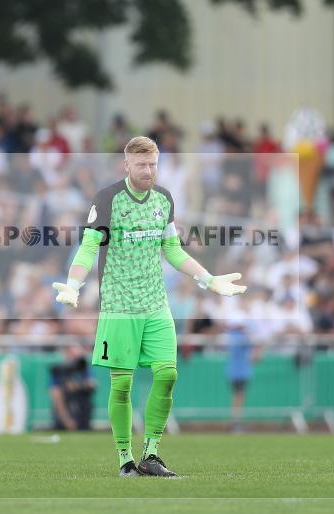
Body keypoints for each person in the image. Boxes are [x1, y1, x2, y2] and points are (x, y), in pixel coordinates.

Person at [52, 136, 247, 478]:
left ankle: (152, 454)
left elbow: (172, 250)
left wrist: (209, 279)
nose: (148, 170)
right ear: (126, 165)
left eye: (153, 164)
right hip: (119, 306)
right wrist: (73, 283)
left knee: (168, 374)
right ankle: (125, 459)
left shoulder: (164, 199)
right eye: (141, 164)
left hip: (156, 304)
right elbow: (87, 248)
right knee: (122, 385)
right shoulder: (108, 199)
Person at [49, 345, 96, 431]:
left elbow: (93, 385)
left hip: (82, 414)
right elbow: (56, 396)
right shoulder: (60, 371)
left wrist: (79, 386)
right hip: (64, 416)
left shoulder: (83, 368)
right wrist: (66, 420)